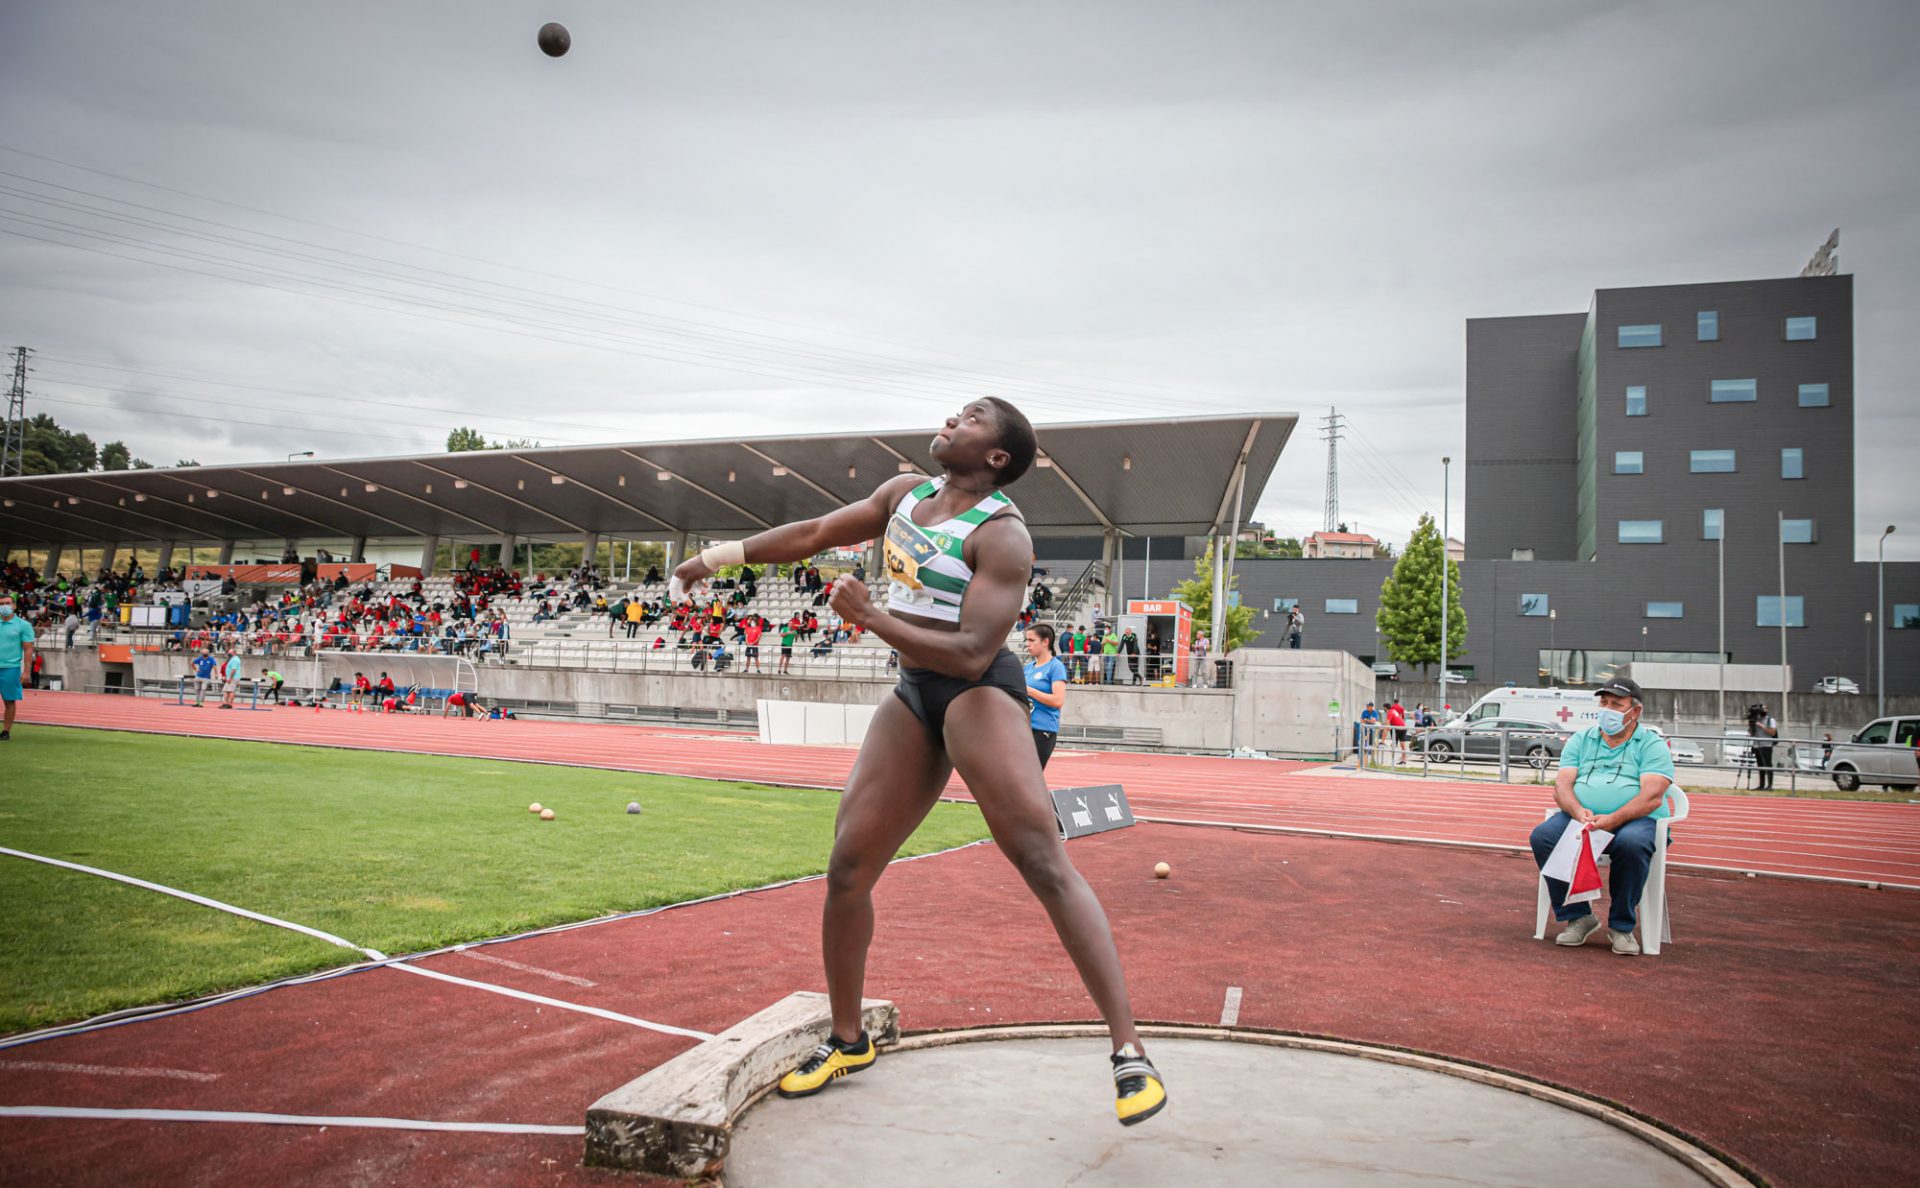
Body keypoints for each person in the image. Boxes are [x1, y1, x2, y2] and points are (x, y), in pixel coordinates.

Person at [669, 397, 1164, 1125]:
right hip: (913, 694)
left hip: (977, 692)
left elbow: (969, 651)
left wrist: (872, 618)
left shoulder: (1003, 536)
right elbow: (812, 533)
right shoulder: (904, 494)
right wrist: (713, 557)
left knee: (1040, 857)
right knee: (847, 868)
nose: (950, 419)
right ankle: (846, 1039)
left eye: (969, 417)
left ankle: (1130, 1052)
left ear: (996, 456)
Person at [1528, 677, 1675, 956]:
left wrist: (1614, 819)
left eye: (1616, 705)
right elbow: (1562, 785)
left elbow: (1651, 796)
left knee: (1632, 844)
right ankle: (1579, 917)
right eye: (1604, 703)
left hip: (1636, 820)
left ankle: (1621, 926)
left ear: (1635, 711)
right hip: (1582, 818)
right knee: (1544, 836)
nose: (1607, 709)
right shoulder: (1582, 740)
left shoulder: (1651, 745)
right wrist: (1577, 811)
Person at [1023, 623, 1068, 769]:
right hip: (1022, 728)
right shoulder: (1027, 668)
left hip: (1042, 730)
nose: (1027, 644)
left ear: (1045, 642)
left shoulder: (1055, 667)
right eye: (1026, 641)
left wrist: (1029, 691)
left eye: (1031, 640)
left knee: (1029, 776)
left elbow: (1058, 700)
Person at [0, 593, 35, 741]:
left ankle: (6, 732)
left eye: (7, 603)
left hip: (11, 668)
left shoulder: (24, 625)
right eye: (1, 604)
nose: (4, 607)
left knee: (9, 700)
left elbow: (28, 649)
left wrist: (27, 671)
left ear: (14, 606)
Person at [1749, 703, 1779, 790]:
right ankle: (1761, 785)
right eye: (1763, 709)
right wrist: (1751, 726)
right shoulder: (1756, 720)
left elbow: (1772, 732)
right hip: (1757, 745)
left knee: (1768, 765)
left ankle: (1769, 785)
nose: (1764, 711)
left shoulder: (1770, 720)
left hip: (1766, 745)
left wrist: (1762, 726)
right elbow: (1752, 734)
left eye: (1765, 709)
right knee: (1760, 766)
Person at [1386, 698, 1408, 764]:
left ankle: (1402, 759)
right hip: (1401, 726)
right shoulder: (1394, 709)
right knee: (1402, 745)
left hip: (1399, 728)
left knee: (1400, 744)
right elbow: (1402, 716)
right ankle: (1404, 760)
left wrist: (1387, 728)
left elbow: (1387, 722)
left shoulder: (1390, 711)